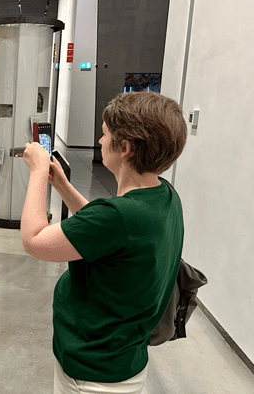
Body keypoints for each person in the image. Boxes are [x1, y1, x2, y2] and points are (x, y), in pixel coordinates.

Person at [21, 91, 187, 394]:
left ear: (124, 148)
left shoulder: (119, 216)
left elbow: (34, 240)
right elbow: (105, 232)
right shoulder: (164, 196)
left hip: (92, 373)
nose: (99, 141)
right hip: (124, 359)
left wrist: (37, 171)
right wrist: (62, 185)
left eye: (104, 134)